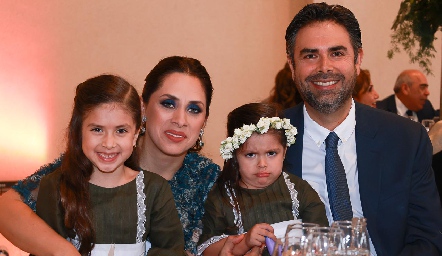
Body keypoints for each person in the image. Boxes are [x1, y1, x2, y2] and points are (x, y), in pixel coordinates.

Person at [0, 56, 220, 256]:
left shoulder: (211, 180)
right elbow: (6, 208)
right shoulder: (92, 161)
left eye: (194, 109)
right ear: (142, 109)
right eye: (168, 103)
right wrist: (63, 250)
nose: (180, 119)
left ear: (205, 121)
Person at [283, 2, 442, 255]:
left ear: (357, 60)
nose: (325, 67)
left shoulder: (406, 140)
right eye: (310, 55)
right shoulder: (266, 140)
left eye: (337, 53)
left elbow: (427, 239)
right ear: (292, 66)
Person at [35, 74, 185, 255]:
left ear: (136, 135)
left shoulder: (154, 189)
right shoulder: (54, 187)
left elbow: (171, 250)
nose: (108, 143)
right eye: (97, 129)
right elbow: (42, 249)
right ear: (79, 130)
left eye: (121, 131)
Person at [198, 103, 328, 256]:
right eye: (250, 155)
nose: (262, 164)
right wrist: (245, 241)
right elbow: (205, 249)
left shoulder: (300, 191)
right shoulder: (222, 198)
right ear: (234, 155)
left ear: (284, 151)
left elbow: (322, 239)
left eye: (271, 153)